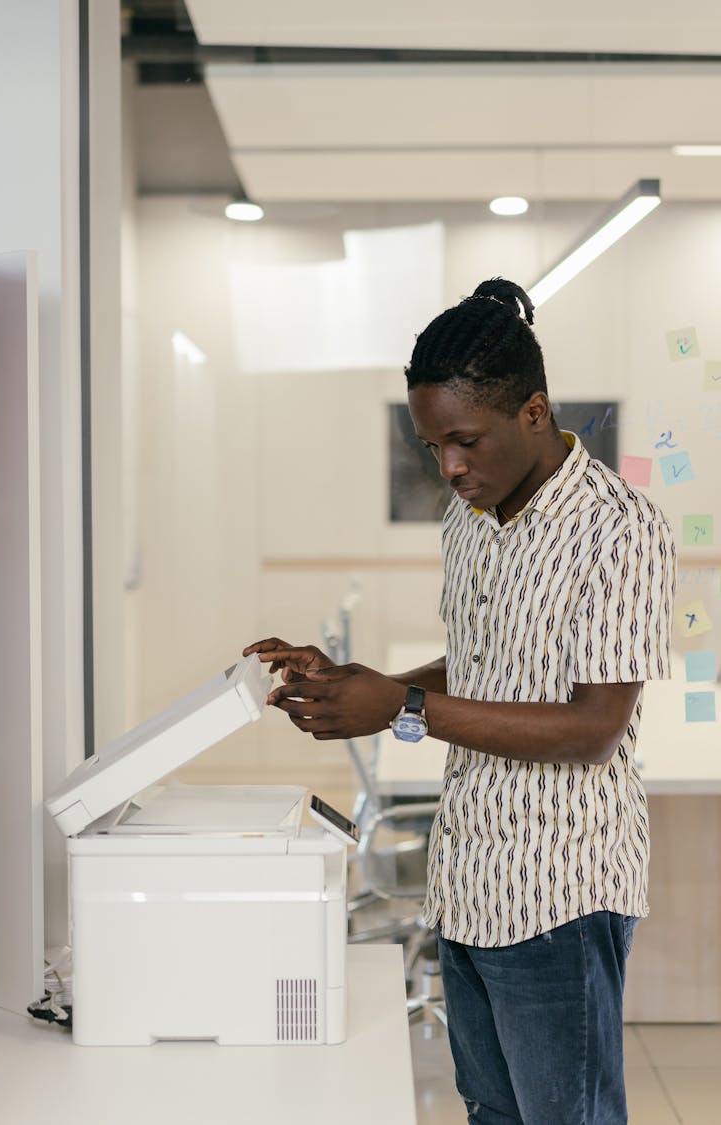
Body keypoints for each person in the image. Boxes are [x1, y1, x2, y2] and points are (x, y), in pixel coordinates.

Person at [244, 277, 675, 1125]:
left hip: (561, 893)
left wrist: (399, 706)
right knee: (493, 1113)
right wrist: (355, 681)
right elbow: (484, 665)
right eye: (432, 445)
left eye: (465, 441)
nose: (449, 466)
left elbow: (593, 727)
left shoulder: (619, 529)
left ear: (535, 411)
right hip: (469, 875)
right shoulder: (469, 519)